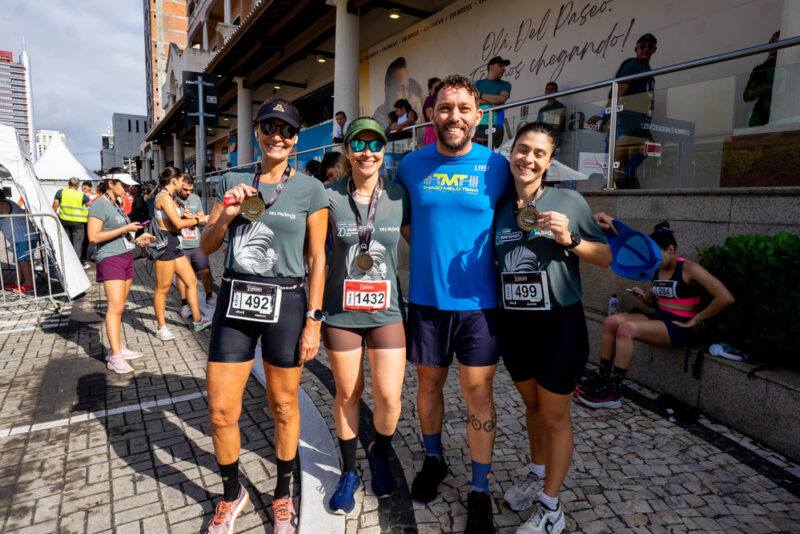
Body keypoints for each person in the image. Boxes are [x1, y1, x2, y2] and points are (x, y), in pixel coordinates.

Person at [199, 98, 328, 534]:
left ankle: (282, 494)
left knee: (284, 405)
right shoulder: (233, 180)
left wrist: (314, 319)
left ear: (296, 139)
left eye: (287, 130)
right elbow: (208, 245)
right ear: (256, 132)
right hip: (236, 297)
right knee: (220, 411)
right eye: (269, 127)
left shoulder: (311, 188)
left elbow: (318, 259)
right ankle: (232, 493)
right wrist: (227, 216)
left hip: (286, 302)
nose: (277, 136)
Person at [394, 74, 510, 533]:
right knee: (428, 387)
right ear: (431, 114)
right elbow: (400, 223)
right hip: (425, 302)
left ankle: (479, 488)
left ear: (478, 116)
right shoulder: (409, 166)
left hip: (481, 306)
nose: (454, 116)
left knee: (479, 395)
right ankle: (434, 459)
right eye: (445, 108)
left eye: (463, 108)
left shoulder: (498, 165)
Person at [493, 122, 611, 534]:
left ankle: (551, 507)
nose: (528, 159)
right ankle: (536, 472)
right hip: (515, 325)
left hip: (560, 324)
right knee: (533, 407)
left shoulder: (569, 200)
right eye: (522, 150)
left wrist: (571, 239)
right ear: (511, 153)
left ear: (549, 160)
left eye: (538, 153)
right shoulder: (500, 205)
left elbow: (607, 256)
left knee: (556, 416)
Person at [323, 118, 410, 513]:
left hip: (386, 310)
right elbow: (312, 254)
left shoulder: (398, 196)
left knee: (389, 399)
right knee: (348, 393)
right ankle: (347, 469)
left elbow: (423, 241)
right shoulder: (328, 197)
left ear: (384, 150)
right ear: (347, 151)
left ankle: (379, 450)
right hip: (341, 312)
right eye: (359, 143)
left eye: (376, 144)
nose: (368, 152)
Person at [577, 220, 735, 409]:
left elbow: (725, 297)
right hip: (660, 318)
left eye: (656, 254)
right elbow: (654, 301)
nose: (653, 260)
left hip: (680, 325)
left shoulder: (689, 269)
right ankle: (604, 380)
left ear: (671, 249)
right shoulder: (656, 269)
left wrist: (697, 319)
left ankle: (614, 393)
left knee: (626, 328)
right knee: (611, 321)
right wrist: (644, 298)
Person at [86, 170, 152, 374]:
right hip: (110, 258)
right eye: (123, 186)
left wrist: (138, 238)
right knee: (115, 307)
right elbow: (94, 237)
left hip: (125, 255)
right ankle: (114, 355)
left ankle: (118, 347)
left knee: (120, 306)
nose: (127, 189)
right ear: (111, 183)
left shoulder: (117, 203)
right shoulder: (99, 204)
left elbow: (121, 233)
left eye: (128, 186)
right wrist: (124, 230)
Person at [152, 167, 211, 340]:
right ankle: (161, 327)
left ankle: (198, 320)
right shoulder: (164, 197)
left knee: (191, 281)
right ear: (175, 180)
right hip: (166, 245)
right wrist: (200, 219)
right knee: (162, 289)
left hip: (175, 244)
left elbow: (177, 221)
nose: (182, 184)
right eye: (181, 180)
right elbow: (177, 224)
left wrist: (188, 216)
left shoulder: (171, 198)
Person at [175, 173, 215, 315]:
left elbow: (204, 220)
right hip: (180, 245)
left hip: (197, 243)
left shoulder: (195, 198)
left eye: (190, 190)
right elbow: (171, 223)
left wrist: (195, 218)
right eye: (185, 190)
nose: (188, 193)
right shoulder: (171, 199)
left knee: (205, 270)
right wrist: (182, 217)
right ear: (179, 185)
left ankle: (209, 296)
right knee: (181, 276)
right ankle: (184, 303)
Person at [0, 189, 37, 293]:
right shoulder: (7, 202)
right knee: (20, 260)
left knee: (23, 260)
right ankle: (18, 282)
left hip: (22, 236)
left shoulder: (2, 204)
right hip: (22, 236)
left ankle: (30, 284)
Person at [53, 176, 92, 269]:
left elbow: (55, 205)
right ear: (78, 185)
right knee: (77, 243)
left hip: (64, 220)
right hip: (79, 222)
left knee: (66, 242)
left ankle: (66, 263)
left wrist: (54, 214)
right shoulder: (81, 195)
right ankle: (75, 265)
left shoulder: (60, 192)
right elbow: (90, 205)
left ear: (68, 183)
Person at [743, 31, 780, 127]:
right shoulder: (761, 68)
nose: (771, 44)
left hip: (781, 114)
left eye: (775, 41)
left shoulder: (789, 64)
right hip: (760, 116)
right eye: (770, 42)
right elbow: (746, 96)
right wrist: (761, 90)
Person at [475, 56, 512, 149]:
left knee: (492, 155)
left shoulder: (506, 84)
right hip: (478, 125)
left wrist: (481, 94)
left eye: (504, 66)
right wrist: (494, 101)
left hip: (496, 125)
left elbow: (501, 100)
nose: (503, 69)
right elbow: (473, 101)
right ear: (491, 67)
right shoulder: (478, 83)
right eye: (500, 66)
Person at [423, 77, 441, 146]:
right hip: (433, 131)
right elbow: (430, 115)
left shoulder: (437, 100)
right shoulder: (430, 99)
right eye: (436, 88)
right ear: (430, 89)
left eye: (440, 88)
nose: (438, 90)